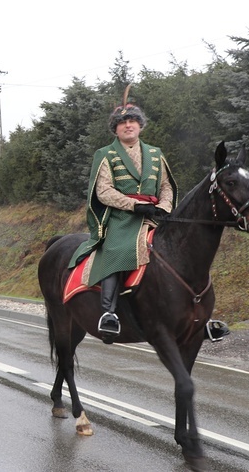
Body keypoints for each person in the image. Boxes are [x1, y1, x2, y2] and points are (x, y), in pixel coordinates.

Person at [68, 92, 176, 342]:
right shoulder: (106, 155)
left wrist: (165, 207)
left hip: (156, 216)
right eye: (122, 123)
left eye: (132, 121)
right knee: (117, 250)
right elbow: (103, 191)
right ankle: (109, 313)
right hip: (121, 219)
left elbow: (167, 186)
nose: (128, 125)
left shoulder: (156, 154)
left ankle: (194, 314)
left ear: (140, 125)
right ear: (115, 130)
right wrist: (133, 206)